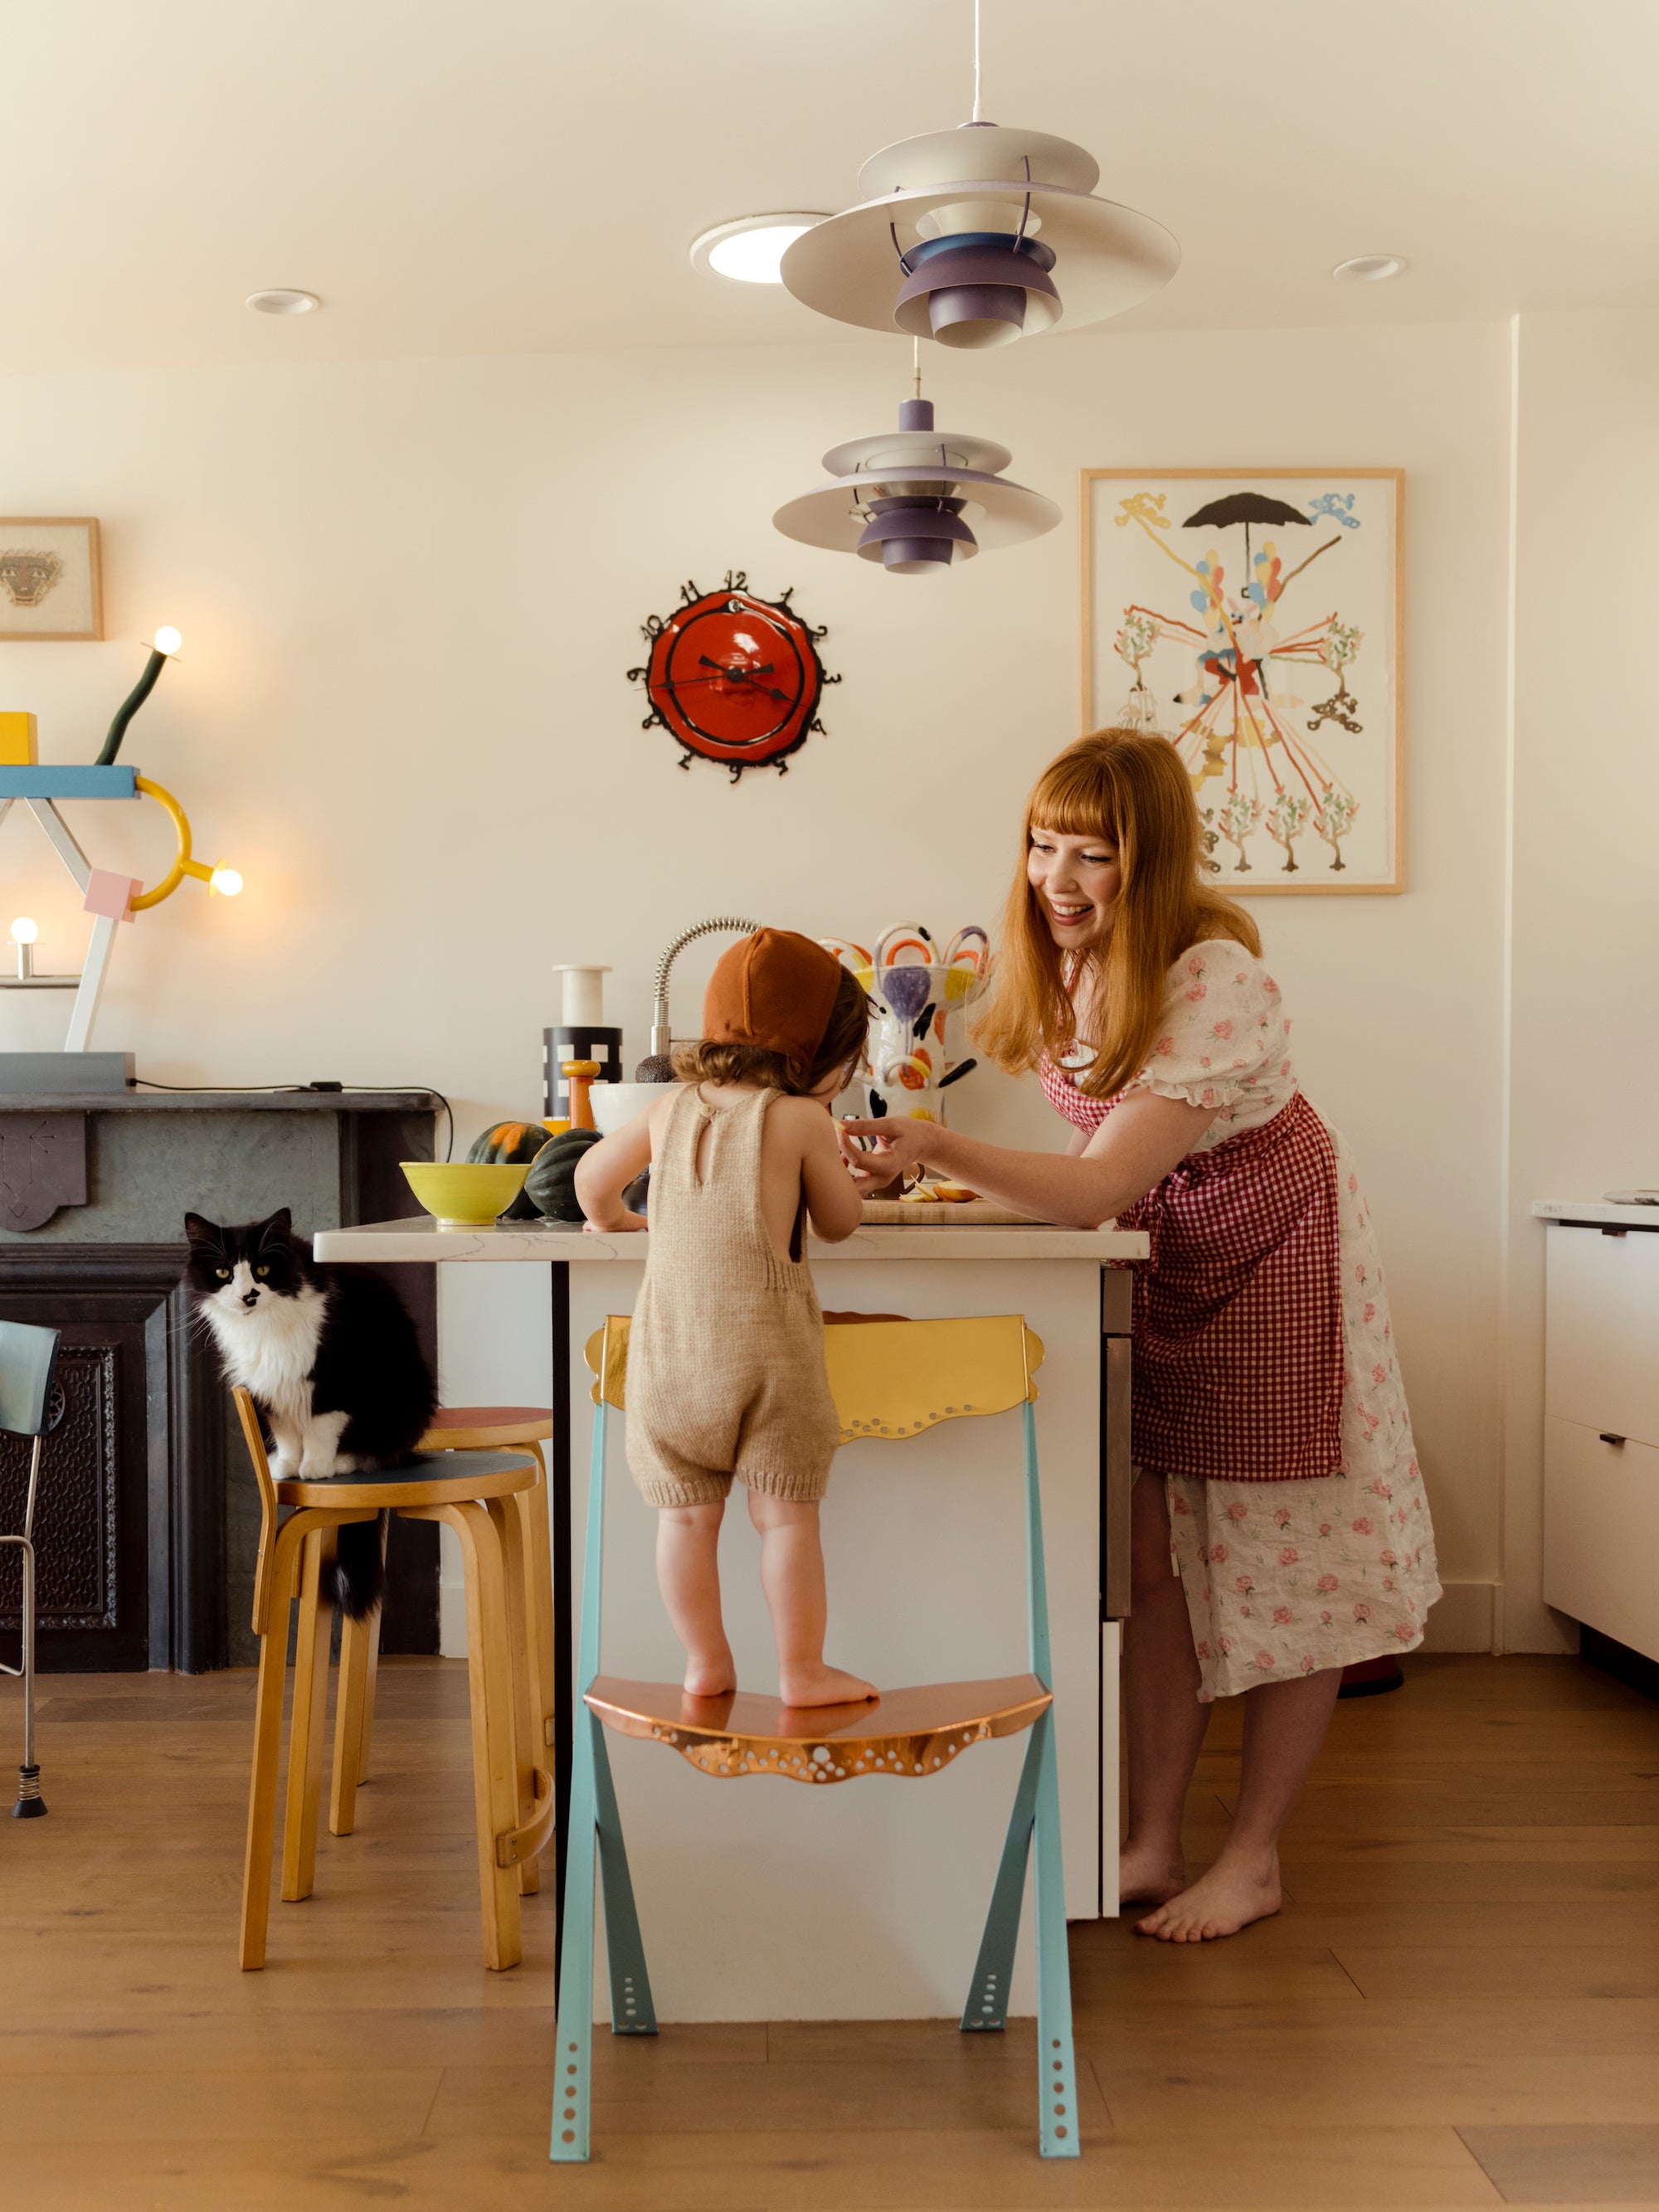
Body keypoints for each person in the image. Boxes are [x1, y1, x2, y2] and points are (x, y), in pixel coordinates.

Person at [840, 728, 1441, 1940]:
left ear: (1148, 857)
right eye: (1041, 846)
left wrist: (942, 1145)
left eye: (1092, 854)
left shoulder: (1213, 976)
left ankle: (1253, 1857)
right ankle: (1154, 1842)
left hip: (1277, 1265)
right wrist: (973, 1177)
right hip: (1170, 1256)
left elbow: (1095, 1182)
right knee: (1154, 1560)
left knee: (1293, 1565)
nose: (1056, 878)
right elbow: (1104, 1154)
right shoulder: (1072, 964)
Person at [576, 927, 877, 1709]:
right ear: (820, 1053)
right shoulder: (802, 1119)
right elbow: (839, 1222)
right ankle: (802, 1672)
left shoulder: (668, 1109)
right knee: (786, 1523)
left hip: (671, 1360)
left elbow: (590, 1182)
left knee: (683, 1524)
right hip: (771, 1363)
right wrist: (855, 1175)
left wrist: (617, 1221)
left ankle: (704, 1662)